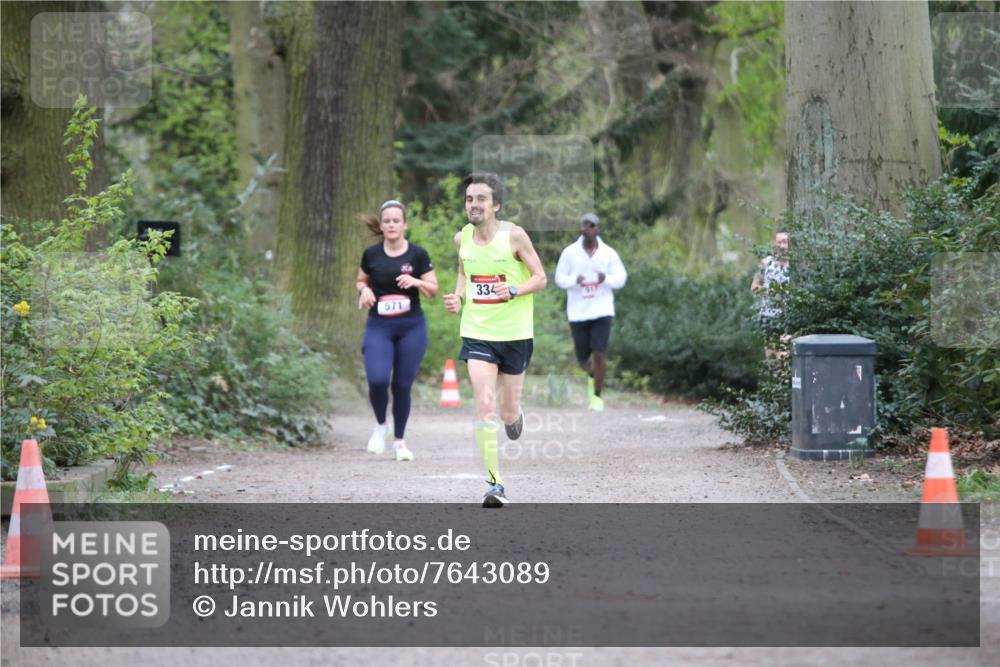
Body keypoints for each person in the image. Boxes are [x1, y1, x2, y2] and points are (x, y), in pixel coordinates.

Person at [443, 173, 547, 507]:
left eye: (481, 199)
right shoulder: (462, 239)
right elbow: (464, 272)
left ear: (496, 205)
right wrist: (459, 297)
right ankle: (495, 484)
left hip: (515, 335)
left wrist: (514, 289)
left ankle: (515, 416)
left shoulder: (514, 237)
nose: (474, 204)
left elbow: (541, 278)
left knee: (505, 411)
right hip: (478, 332)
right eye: (469, 199)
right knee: (485, 403)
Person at [356, 199, 438, 461]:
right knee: (378, 379)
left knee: (402, 385)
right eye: (387, 221)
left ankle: (400, 442)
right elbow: (360, 280)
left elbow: (433, 290)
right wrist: (365, 289)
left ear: (404, 225)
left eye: (396, 220)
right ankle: (381, 425)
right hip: (379, 325)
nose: (391, 225)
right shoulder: (371, 254)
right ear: (381, 225)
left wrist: (415, 281)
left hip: (411, 326)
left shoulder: (417, 254)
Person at [554, 213, 628, 411]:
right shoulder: (570, 253)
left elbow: (621, 278)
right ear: (581, 229)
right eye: (585, 225)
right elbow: (559, 278)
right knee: (583, 358)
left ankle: (597, 395)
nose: (588, 229)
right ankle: (592, 377)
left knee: (600, 353)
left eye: (592, 225)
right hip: (578, 312)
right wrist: (574, 281)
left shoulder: (608, 253)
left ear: (598, 229)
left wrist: (606, 279)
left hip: (602, 309)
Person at [750, 230, 790, 358]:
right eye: (779, 242)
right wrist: (769, 292)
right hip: (768, 315)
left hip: (788, 316)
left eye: (785, 242)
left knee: (784, 355)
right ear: (774, 244)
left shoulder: (795, 265)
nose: (782, 246)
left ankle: (785, 378)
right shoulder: (766, 263)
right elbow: (754, 287)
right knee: (771, 356)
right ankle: (773, 376)